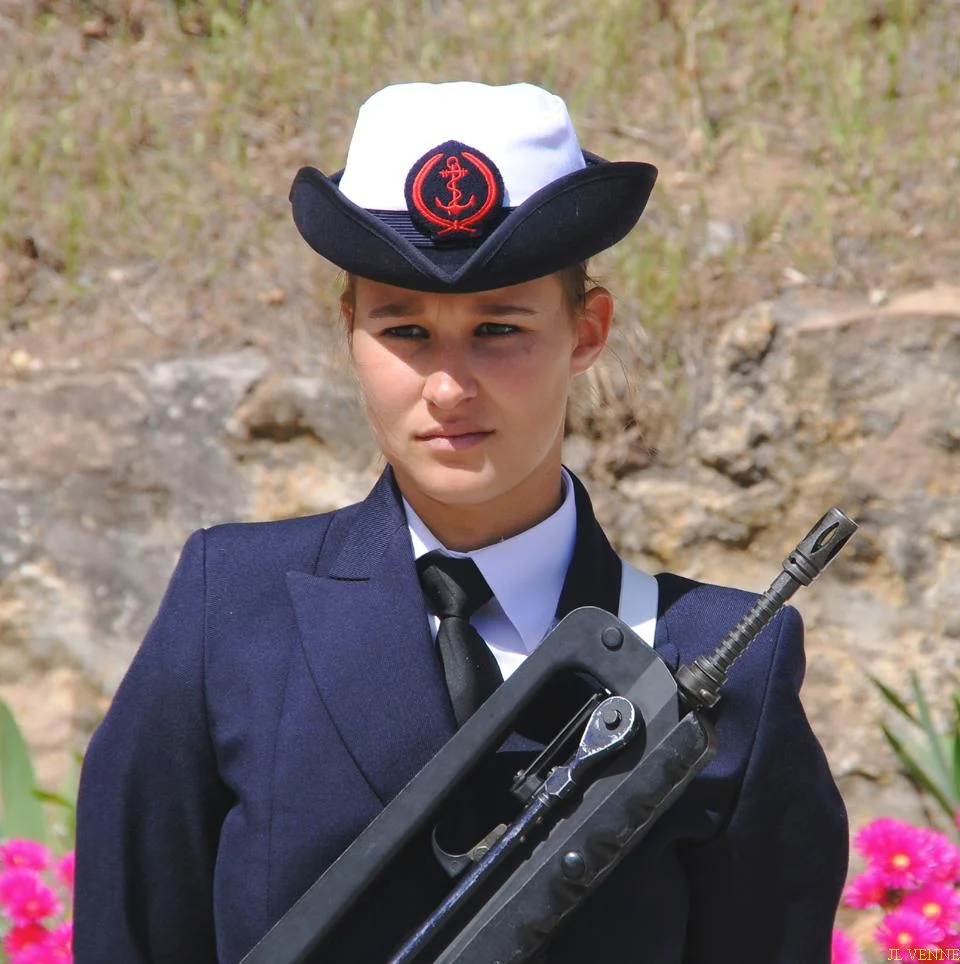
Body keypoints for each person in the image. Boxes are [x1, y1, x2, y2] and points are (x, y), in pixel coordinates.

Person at [74, 82, 848, 963]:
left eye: (498, 328)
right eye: (405, 331)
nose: (448, 387)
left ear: (587, 330)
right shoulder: (233, 612)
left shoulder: (723, 658)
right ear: (350, 330)